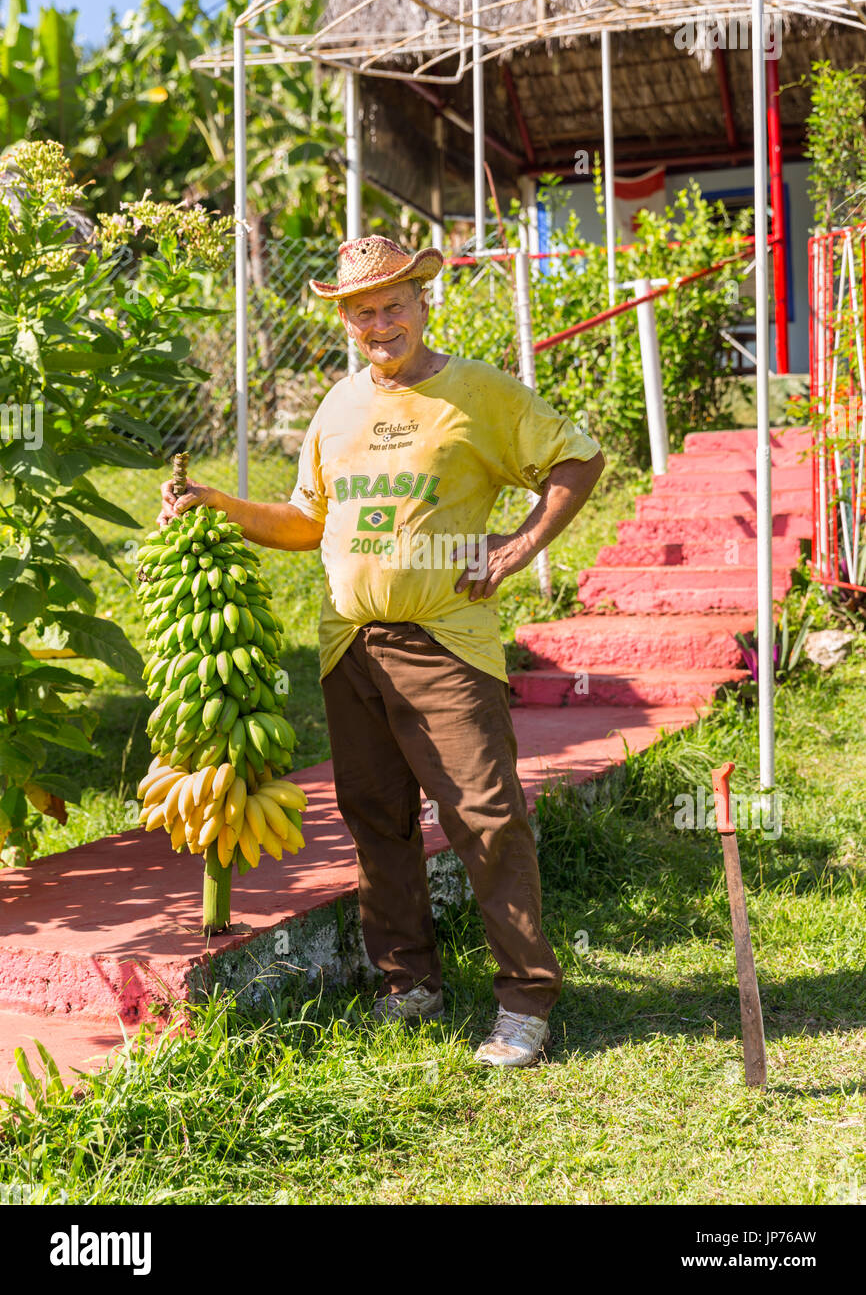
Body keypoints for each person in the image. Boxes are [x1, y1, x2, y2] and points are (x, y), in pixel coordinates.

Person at [160, 234, 604, 1067]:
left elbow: (577, 458)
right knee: (375, 819)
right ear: (346, 320)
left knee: (487, 817)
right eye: (363, 309)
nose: (380, 320)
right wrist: (216, 501)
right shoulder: (336, 408)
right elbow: (305, 521)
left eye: (394, 302)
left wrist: (517, 546)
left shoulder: (477, 392)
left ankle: (526, 1003)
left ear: (423, 301)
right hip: (348, 647)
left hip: (445, 640)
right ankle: (410, 983)